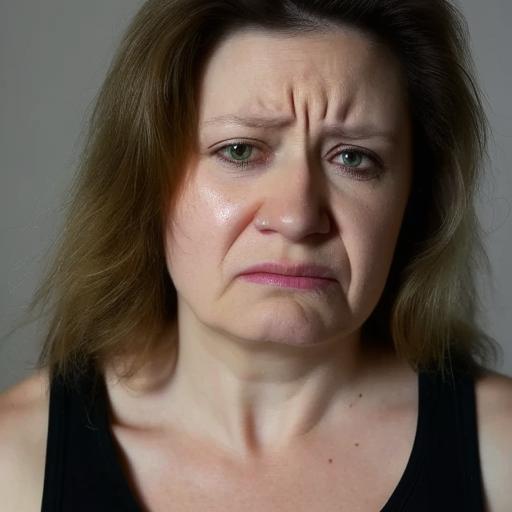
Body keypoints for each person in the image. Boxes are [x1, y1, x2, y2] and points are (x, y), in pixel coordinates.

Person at [1, 0, 511, 510]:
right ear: (145, 183)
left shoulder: (501, 455)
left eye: (354, 158)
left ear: (414, 201)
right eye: (240, 150)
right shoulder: (13, 462)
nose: (297, 217)